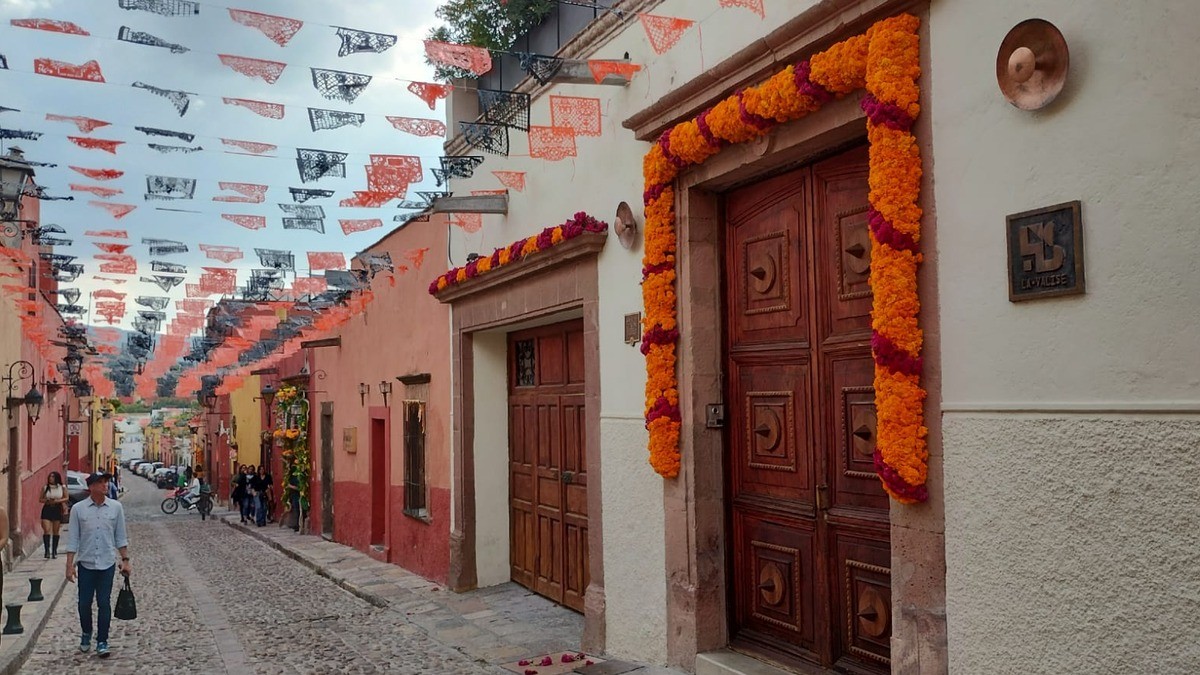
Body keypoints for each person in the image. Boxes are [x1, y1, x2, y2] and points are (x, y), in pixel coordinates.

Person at [64, 472, 131, 659]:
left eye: (106, 482)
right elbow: (73, 539)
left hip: (107, 563)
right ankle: (86, 632)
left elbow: (120, 537)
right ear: (91, 487)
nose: (105, 485)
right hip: (86, 564)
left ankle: (102, 640)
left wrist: (125, 560)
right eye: (101, 482)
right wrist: (69, 565)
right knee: (84, 603)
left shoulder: (116, 508)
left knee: (104, 603)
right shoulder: (78, 509)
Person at [39, 471, 69, 559]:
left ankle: (54, 550)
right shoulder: (45, 488)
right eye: (50, 477)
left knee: (56, 531)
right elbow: (40, 499)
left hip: (56, 509)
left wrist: (57, 501)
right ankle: (47, 550)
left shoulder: (62, 487)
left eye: (52, 477)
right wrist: (47, 500)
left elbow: (66, 497)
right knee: (46, 529)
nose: (50, 478)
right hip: (47, 508)